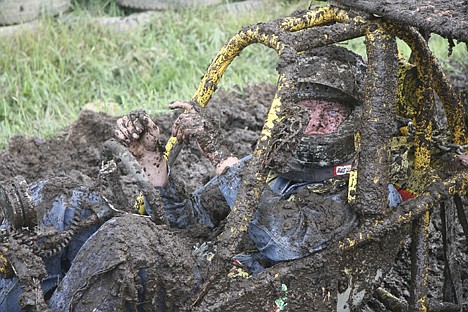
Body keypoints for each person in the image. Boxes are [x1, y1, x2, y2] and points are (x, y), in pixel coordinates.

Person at [0, 45, 403, 311]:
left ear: (355, 118)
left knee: (124, 243)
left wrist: (218, 155)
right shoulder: (268, 164)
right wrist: (153, 160)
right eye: (304, 111)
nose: (313, 124)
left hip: (235, 289)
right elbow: (189, 218)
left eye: (328, 113)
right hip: (192, 264)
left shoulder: (365, 189)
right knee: (62, 204)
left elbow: (285, 241)